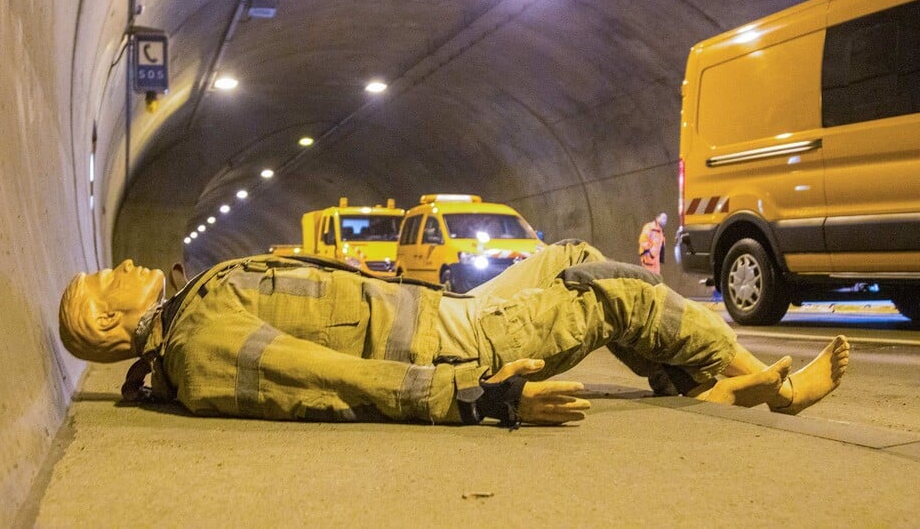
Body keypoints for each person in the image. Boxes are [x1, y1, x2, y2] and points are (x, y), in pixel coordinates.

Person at [58, 241, 850, 427]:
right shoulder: (198, 344)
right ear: (105, 322)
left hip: (446, 311)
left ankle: (702, 379)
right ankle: (778, 390)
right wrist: (477, 398)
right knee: (609, 295)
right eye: (106, 280)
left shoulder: (197, 302)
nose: (122, 264)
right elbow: (325, 380)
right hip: (450, 346)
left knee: (569, 255)